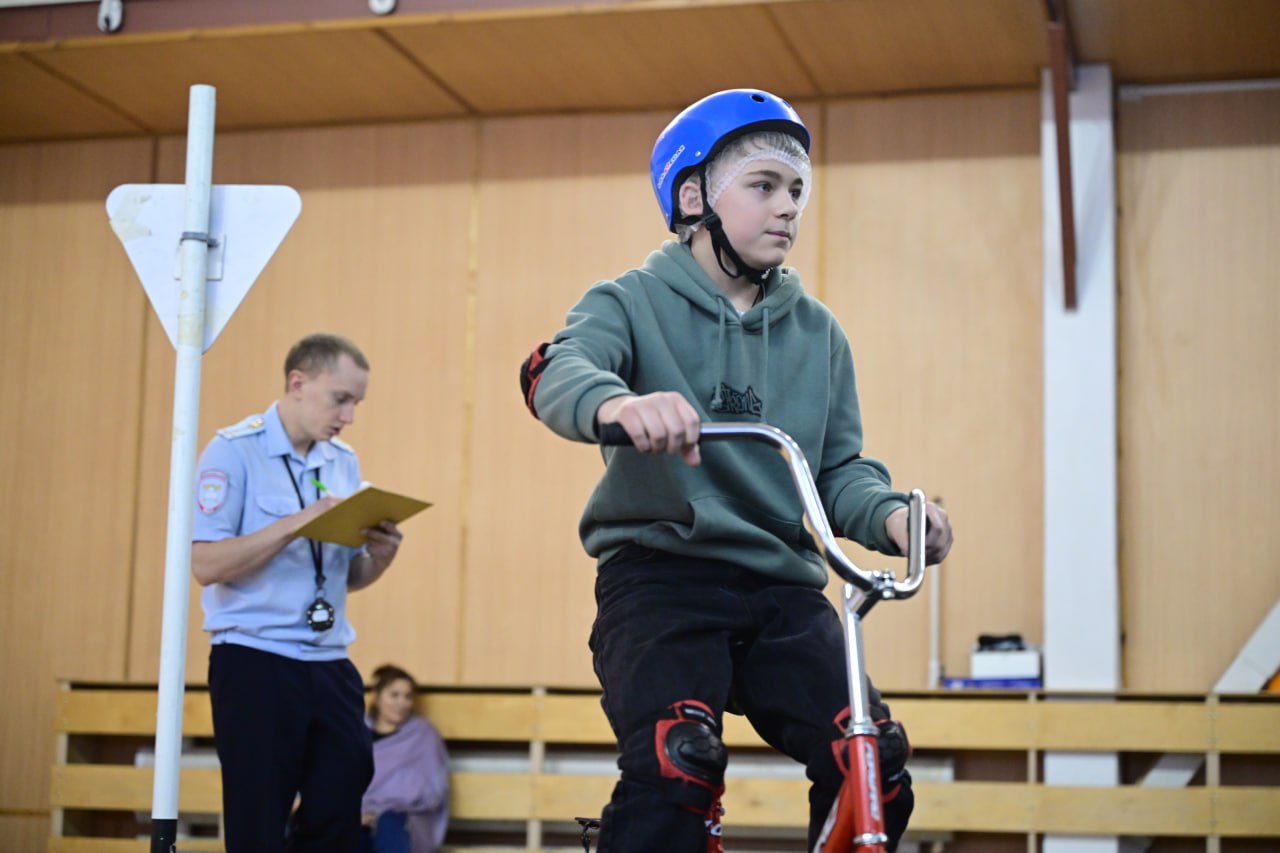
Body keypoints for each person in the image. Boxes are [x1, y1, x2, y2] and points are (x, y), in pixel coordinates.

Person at [519, 89, 954, 853]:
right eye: (763, 186)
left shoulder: (818, 333)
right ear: (694, 197)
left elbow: (838, 468)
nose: (787, 206)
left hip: (782, 591)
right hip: (662, 579)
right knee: (677, 761)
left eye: (796, 190)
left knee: (874, 762)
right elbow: (555, 371)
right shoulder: (630, 300)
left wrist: (889, 515)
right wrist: (619, 407)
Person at [191, 332, 405, 853]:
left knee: (340, 803)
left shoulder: (341, 462)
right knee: (258, 816)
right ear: (298, 383)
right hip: (256, 659)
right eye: (342, 399)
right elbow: (205, 565)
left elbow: (344, 576)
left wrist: (381, 556)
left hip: (329, 659)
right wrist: (296, 523)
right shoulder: (233, 452)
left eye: (357, 403)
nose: (349, 416)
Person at [358, 664, 450, 853]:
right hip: (356, 815)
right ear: (377, 696)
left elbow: (432, 789)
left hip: (405, 817)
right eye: (394, 695)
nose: (402, 703)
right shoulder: (355, 732)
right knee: (346, 832)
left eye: (408, 696)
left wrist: (380, 810)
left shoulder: (423, 735)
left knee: (390, 826)